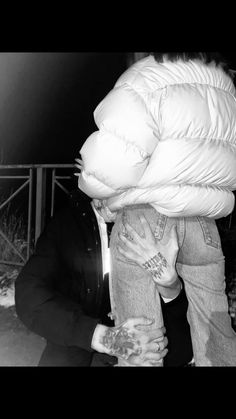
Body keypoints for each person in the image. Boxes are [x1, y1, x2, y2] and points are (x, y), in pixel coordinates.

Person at [77, 52, 236, 366]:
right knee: (217, 333)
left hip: (145, 221)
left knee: (141, 342)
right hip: (204, 227)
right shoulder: (226, 88)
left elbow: (111, 162)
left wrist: (91, 184)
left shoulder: (146, 78)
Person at [15, 188, 193, 367]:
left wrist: (171, 285)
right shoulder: (69, 225)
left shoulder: (158, 223)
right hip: (77, 348)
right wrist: (108, 339)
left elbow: (183, 349)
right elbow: (28, 294)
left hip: (147, 349)